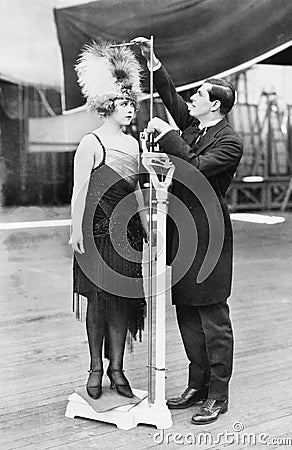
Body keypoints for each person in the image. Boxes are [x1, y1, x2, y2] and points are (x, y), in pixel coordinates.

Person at [134, 37, 243, 424]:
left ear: (215, 104)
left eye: (197, 96)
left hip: (209, 237)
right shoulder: (196, 127)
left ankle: (218, 395)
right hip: (183, 233)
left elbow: (194, 166)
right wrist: (153, 63)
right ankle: (197, 385)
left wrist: (167, 136)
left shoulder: (229, 142)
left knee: (212, 317)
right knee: (187, 314)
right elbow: (170, 97)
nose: (190, 100)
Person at [70, 41, 148, 400]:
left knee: (123, 302)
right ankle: (95, 368)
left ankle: (117, 368)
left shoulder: (135, 146)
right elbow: (79, 192)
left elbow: (135, 190)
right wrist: (75, 231)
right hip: (97, 234)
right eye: (122, 104)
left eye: (132, 103)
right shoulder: (91, 143)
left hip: (127, 236)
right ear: (106, 106)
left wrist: (146, 224)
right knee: (99, 302)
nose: (129, 110)